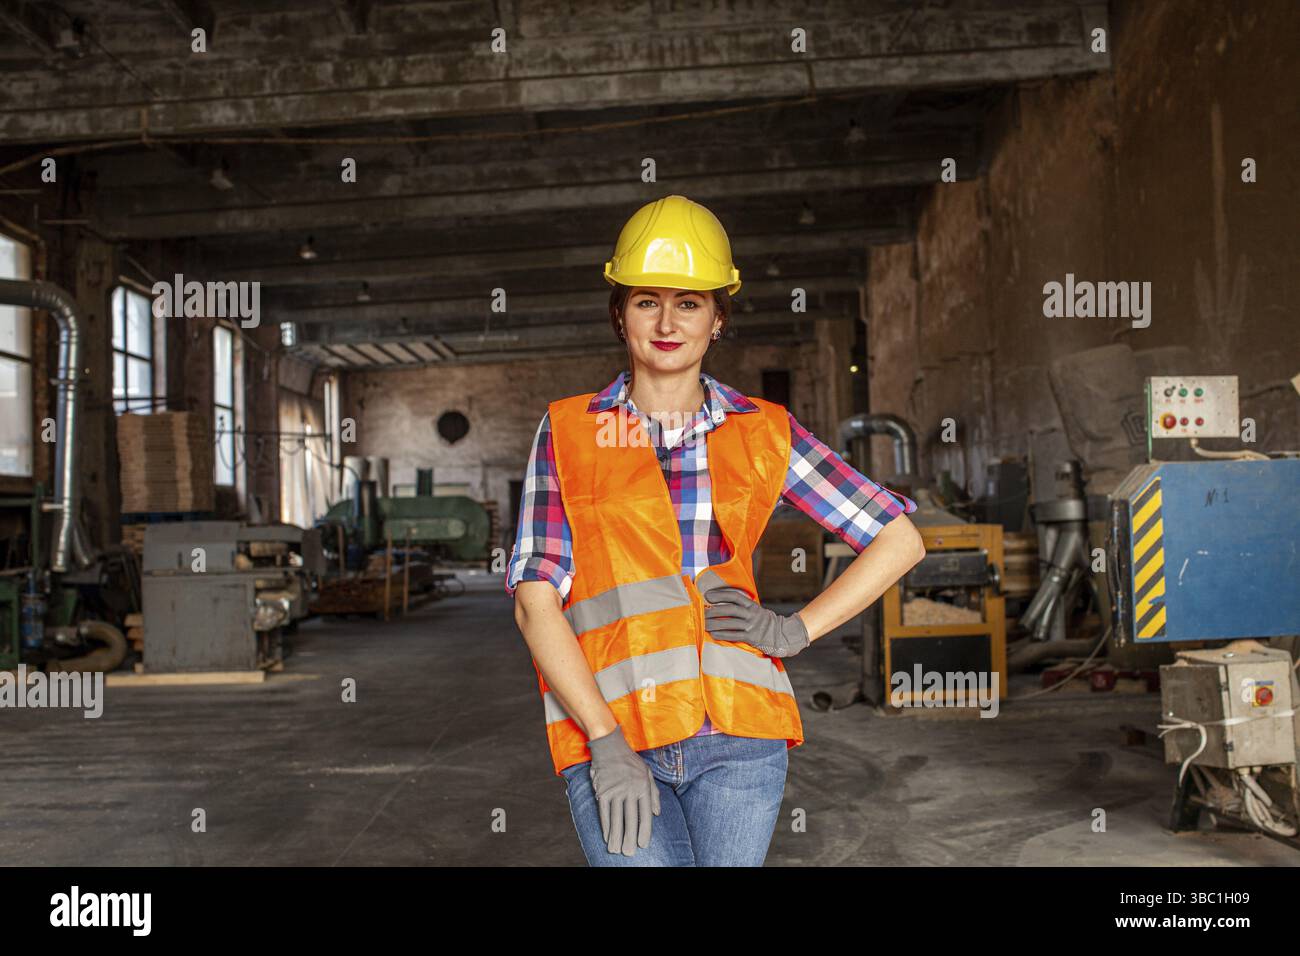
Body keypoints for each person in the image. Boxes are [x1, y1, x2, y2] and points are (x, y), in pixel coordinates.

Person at [507, 195, 925, 866]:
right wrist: (603, 737)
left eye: (690, 302)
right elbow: (535, 603)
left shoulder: (762, 431)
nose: (667, 322)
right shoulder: (570, 431)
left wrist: (794, 630)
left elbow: (900, 537)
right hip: (615, 730)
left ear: (718, 317)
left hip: (740, 734)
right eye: (647, 301)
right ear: (620, 314)